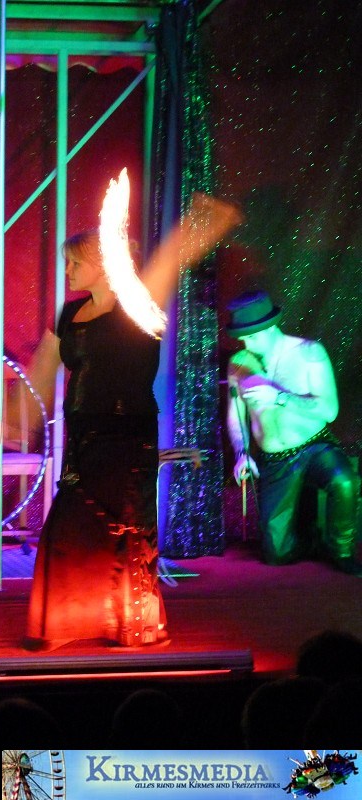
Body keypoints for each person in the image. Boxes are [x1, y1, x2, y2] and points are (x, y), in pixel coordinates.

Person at [22, 184, 243, 650]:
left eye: (74, 262)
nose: (67, 271)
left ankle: (130, 627)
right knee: (69, 528)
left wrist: (205, 221)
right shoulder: (69, 314)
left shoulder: (139, 301)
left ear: (105, 264)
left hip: (127, 439)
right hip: (83, 438)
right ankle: (63, 623)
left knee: (126, 533)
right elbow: (43, 367)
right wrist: (19, 411)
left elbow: (170, 259)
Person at [226, 289, 361, 574]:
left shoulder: (309, 353)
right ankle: (308, 534)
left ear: (270, 327)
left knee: (344, 481)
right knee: (277, 554)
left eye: (251, 336)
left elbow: (329, 410)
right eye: (242, 337)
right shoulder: (238, 363)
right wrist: (242, 453)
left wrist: (279, 397)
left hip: (314, 446)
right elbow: (236, 414)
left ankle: (341, 550)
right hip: (275, 459)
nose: (245, 343)